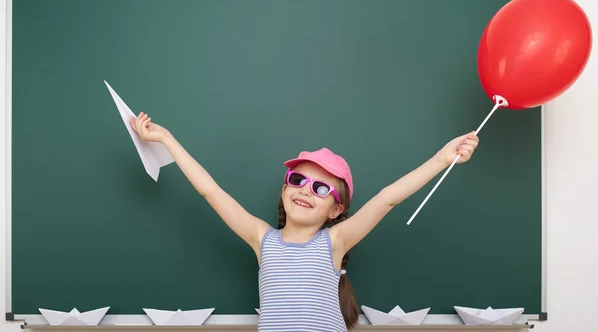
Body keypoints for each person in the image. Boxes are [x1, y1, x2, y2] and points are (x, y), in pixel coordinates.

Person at [129, 112, 479, 331]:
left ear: (335, 211)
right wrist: (166, 139)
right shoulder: (260, 238)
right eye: (298, 180)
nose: (306, 191)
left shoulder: (335, 242)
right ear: (284, 190)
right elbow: (211, 192)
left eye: (322, 188)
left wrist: (440, 159)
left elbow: (388, 198)